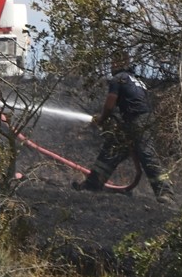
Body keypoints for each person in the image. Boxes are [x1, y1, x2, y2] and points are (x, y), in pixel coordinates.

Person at [73, 51, 175, 204]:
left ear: (121, 63)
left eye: (113, 62)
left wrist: (101, 119)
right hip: (136, 120)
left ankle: (166, 192)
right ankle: (92, 185)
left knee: (146, 154)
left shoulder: (118, 79)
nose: (111, 65)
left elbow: (110, 104)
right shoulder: (136, 80)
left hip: (138, 119)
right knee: (111, 150)